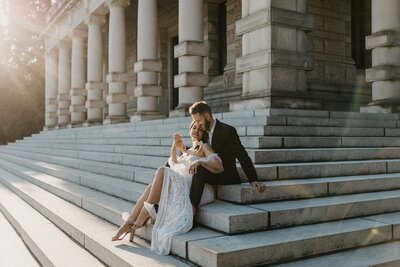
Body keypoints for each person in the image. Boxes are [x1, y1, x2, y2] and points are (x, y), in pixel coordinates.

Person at [111, 121, 223, 255]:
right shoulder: (187, 150)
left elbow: (218, 165)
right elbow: (176, 163)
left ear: (205, 133)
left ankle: (145, 213)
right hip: (180, 184)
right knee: (150, 187)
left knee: (162, 171)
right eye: (194, 127)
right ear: (189, 129)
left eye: (200, 129)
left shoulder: (204, 146)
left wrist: (201, 162)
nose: (196, 130)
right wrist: (175, 146)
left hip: (189, 187)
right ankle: (129, 223)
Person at [188, 101, 266, 216]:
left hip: (226, 174)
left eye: (199, 121)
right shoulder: (203, 132)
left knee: (199, 170)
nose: (198, 125)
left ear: (207, 116)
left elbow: (242, 155)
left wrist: (253, 179)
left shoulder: (227, 131)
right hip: (211, 169)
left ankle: (192, 211)